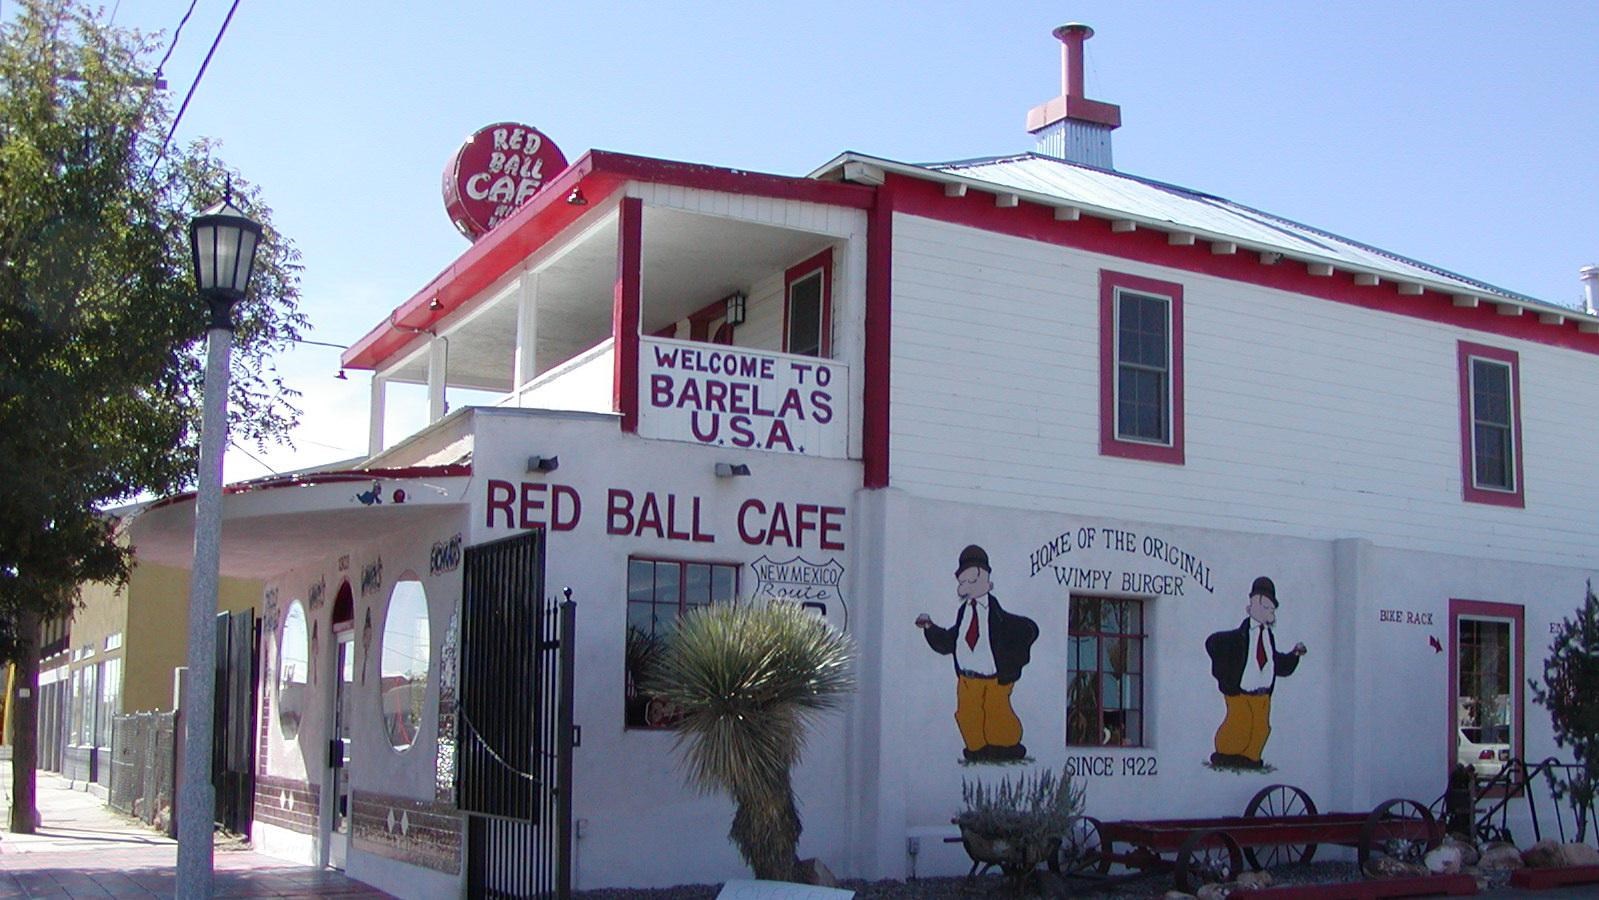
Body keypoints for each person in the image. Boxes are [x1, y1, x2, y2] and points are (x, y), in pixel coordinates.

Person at [916, 545, 1039, 762]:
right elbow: (951, 641)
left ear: (983, 578)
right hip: (967, 680)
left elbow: (1026, 631)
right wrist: (930, 628)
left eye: (968, 581)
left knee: (998, 717)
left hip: (994, 681)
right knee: (967, 716)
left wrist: (1011, 667)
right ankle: (977, 750)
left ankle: (1007, 747)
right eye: (961, 582)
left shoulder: (999, 617)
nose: (963, 586)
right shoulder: (964, 611)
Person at [1204, 576, 1307, 769]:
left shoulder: (1268, 635)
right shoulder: (1239, 636)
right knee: (1239, 724)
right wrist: (1226, 681)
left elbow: (1275, 662)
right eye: (1267, 608)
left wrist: (1294, 655)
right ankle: (1225, 754)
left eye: (1272, 609)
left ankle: (1250, 759)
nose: (1271, 613)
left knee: (1261, 728)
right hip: (1240, 693)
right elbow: (1213, 643)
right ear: (1253, 606)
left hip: (1263, 695)